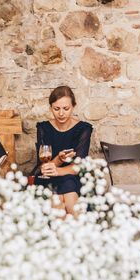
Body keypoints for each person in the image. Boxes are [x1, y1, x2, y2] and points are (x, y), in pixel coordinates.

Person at [35, 86, 93, 215]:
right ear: (51, 108)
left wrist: (57, 171)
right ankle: (74, 227)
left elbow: (78, 166)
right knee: (60, 202)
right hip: (48, 178)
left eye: (66, 109)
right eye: (56, 109)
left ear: (73, 107)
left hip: (72, 177)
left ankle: (70, 226)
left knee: (68, 186)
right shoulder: (43, 128)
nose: (61, 113)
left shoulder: (83, 129)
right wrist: (59, 160)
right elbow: (43, 167)